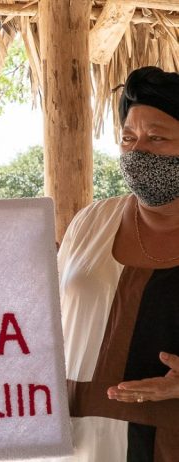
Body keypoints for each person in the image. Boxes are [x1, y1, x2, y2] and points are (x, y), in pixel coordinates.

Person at [57, 66, 179, 461]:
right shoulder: (90, 222)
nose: (138, 150)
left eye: (157, 137)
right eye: (128, 138)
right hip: (82, 444)